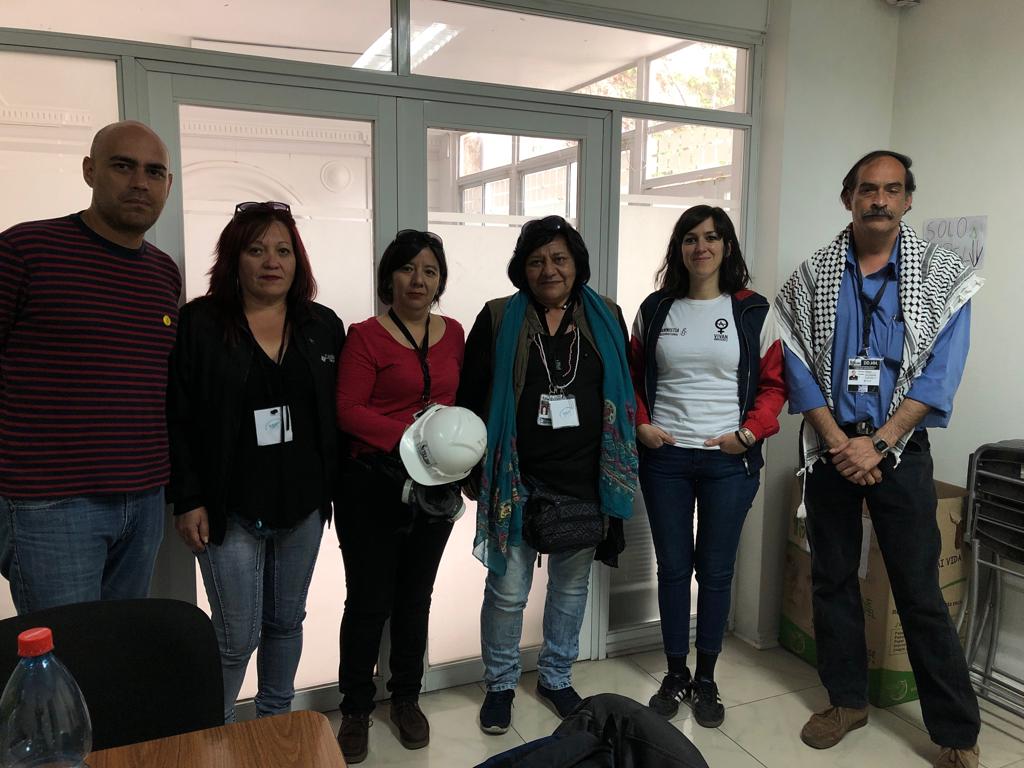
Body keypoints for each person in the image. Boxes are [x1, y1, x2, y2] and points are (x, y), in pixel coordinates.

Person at [774, 151, 983, 768]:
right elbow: (795, 365)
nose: (879, 200)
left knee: (919, 589)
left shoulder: (943, 276)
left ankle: (955, 734)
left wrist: (881, 442)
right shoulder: (812, 277)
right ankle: (847, 702)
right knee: (832, 578)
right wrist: (840, 442)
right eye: (868, 189)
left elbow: (940, 376)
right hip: (830, 449)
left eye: (892, 190)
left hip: (901, 448)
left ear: (908, 200)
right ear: (849, 198)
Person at [458, 215, 639, 735]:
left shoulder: (607, 315)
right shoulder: (498, 317)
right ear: (522, 268)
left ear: (577, 263)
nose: (549, 270)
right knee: (508, 591)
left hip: (586, 477)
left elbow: (624, 388)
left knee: (569, 588)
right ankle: (500, 684)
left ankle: (556, 677)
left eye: (559, 258)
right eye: (536, 260)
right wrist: (472, 465)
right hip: (516, 478)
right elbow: (472, 394)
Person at [167, 201, 344, 722]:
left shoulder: (322, 325)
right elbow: (178, 415)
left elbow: (338, 413)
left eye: (283, 250)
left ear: (298, 261)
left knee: (286, 622)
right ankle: (211, 732)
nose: (272, 261)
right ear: (234, 259)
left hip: (302, 505)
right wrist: (188, 498)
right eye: (256, 249)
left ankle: (274, 724)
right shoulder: (200, 323)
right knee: (234, 636)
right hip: (229, 507)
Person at [0, 120, 179, 614]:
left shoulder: (163, 272)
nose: (140, 182)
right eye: (123, 166)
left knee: (119, 646)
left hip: (143, 498)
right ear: (89, 171)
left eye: (154, 172)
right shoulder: (25, 250)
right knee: (67, 649)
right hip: (50, 502)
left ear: (167, 185)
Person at [629, 205, 785, 727]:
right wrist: (641, 424)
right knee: (673, 569)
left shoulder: (754, 311)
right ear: (679, 248)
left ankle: (707, 678)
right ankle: (676, 673)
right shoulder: (655, 309)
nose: (702, 247)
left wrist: (749, 434)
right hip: (665, 458)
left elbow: (774, 385)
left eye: (712, 237)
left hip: (728, 461)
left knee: (716, 573)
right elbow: (630, 379)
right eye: (691, 238)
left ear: (727, 246)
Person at [334, 230, 465, 764]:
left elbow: (459, 402)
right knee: (368, 603)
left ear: (440, 282)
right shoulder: (365, 336)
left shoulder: (454, 333)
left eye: (430, 270)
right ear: (389, 277)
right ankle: (355, 709)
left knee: (416, 598)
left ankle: (406, 698)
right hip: (372, 485)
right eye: (408, 268)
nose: (419, 280)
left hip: (434, 489)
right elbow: (347, 410)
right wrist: (413, 439)